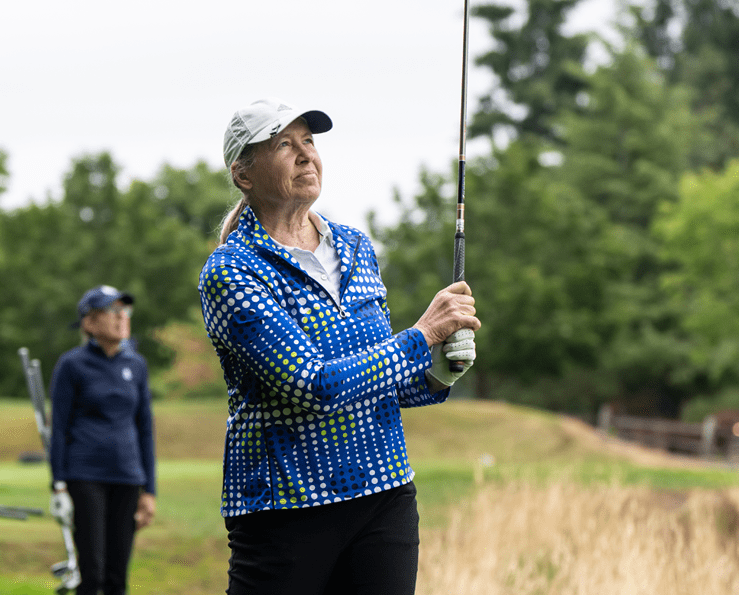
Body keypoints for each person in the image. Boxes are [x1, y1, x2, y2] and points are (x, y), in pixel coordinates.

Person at [198, 98, 481, 594]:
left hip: (383, 494)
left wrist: (441, 370)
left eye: (308, 141)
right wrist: (423, 335)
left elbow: (382, 383)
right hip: (284, 507)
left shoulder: (356, 246)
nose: (305, 154)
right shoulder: (230, 271)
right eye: (283, 144)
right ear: (243, 175)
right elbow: (312, 385)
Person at [48, 285, 158, 595]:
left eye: (125, 311)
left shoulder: (136, 365)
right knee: (92, 571)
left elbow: (145, 428)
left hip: (127, 475)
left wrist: (149, 489)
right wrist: (57, 484)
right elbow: (59, 428)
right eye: (113, 311)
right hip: (85, 476)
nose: (122, 317)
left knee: (116, 575)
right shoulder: (72, 365)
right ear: (90, 322)